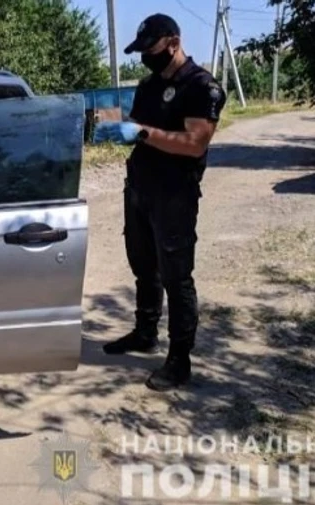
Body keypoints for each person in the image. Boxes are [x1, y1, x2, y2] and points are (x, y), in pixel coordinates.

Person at [93, 13, 227, 391]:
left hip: (174, 195)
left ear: (172, 43)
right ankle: (145, 332)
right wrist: (112, 126)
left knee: (176, 277)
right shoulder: (149, 85)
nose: (144, 58)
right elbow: (136, 128)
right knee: (143, 267)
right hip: (139, 189)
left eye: (149, 50)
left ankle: (179, 359)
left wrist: (141, 132)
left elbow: (194, 143)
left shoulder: (202, 87)